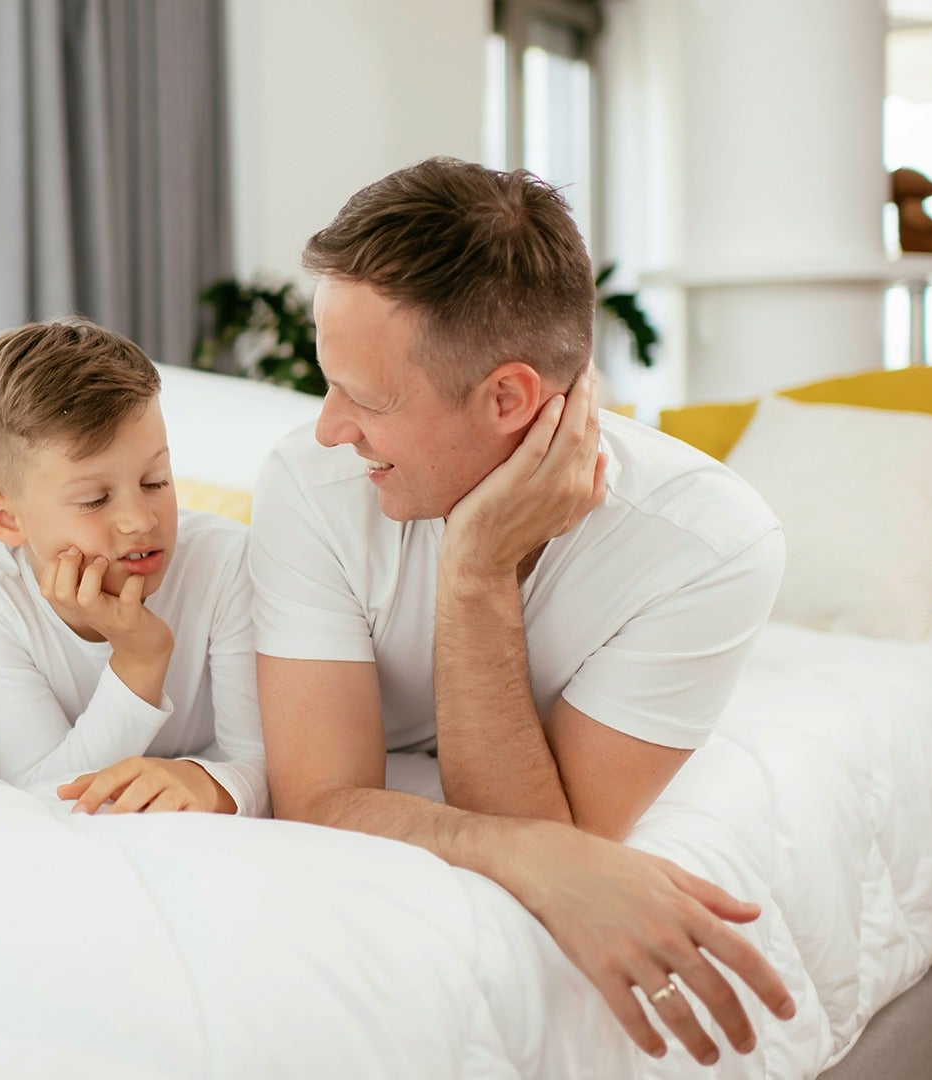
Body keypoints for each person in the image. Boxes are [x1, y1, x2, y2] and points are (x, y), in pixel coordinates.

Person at [253, 158, 792, 1064]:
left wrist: (473, 572)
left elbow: (565, 828)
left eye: (366, 398)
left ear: (508, 397)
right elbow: (320, 797)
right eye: (327, 381)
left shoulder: (710, 544)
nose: (328, 427)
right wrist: (532, 852)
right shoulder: (309, 484)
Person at [0, 318, 267, 816]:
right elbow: (48, 792)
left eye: (156, 481)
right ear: (6, 519)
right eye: (94, 500)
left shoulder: (227, 563)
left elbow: (267, 763)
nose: (139, 519)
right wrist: (139, 659)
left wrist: (205, 783)